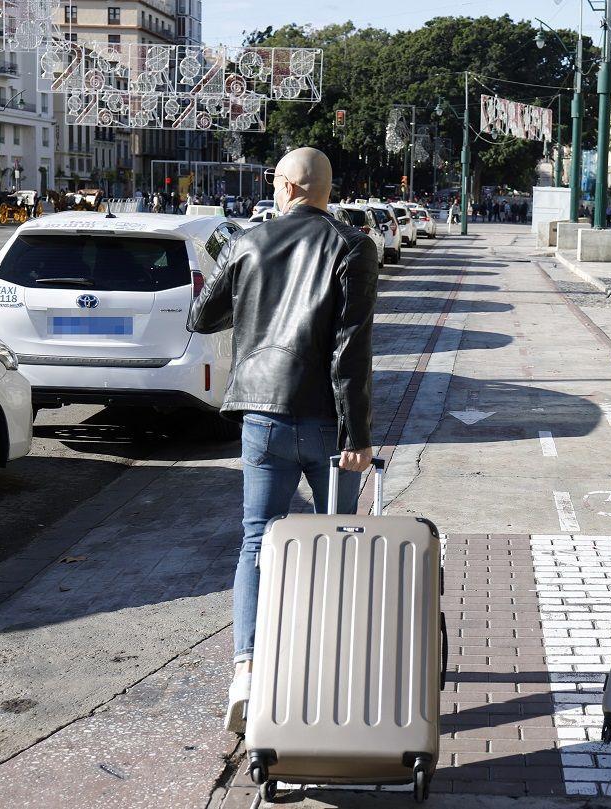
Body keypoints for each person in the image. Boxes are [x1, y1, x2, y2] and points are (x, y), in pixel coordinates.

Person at [188, 147, 378, 734]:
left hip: (261, 417)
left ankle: (247, 668)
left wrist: (253, 291)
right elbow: (351, 352)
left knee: (255, 541)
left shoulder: (250, 241)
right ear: (321, 189)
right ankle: (325, 668)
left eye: (274, 182)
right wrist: (358, 435)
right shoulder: (352, 246)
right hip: (327, 422)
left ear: (288, 187)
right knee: (336, 541)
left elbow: (202, 315)